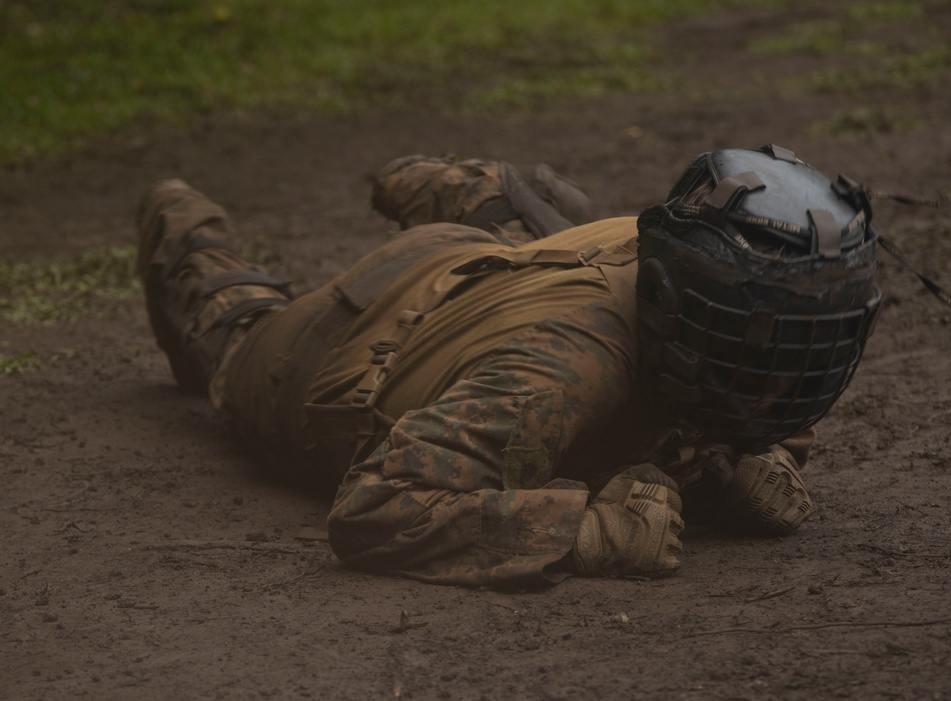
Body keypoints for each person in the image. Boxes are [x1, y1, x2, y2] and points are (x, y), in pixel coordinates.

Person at [136, 145, 882, 588]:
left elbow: (723, 401)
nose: (793, 362)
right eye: (770, 339)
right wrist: (586, 534)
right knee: (235, 326)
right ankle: (179, 216)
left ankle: (487, 200)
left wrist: (749, 455)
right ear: (692, 315)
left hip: (508, 271)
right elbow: (374, 509)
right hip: (345, 341)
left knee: (554, 230)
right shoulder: (556, 374)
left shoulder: (692, 274)